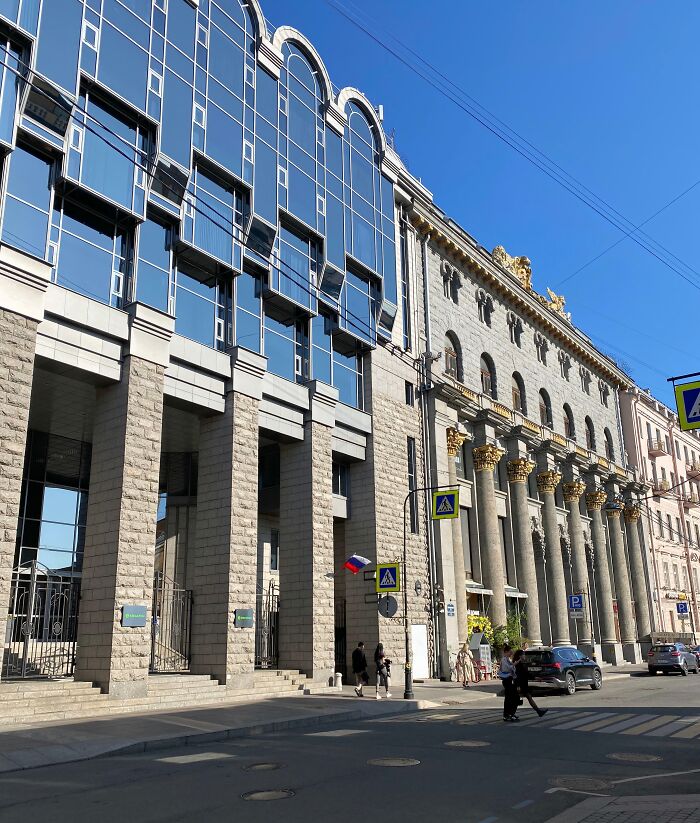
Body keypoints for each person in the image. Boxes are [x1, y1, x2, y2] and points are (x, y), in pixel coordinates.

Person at [513, 649, 547, 718]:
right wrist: (518, 685)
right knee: (518, 699)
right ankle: (511, 713)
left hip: (523, 684)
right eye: (523, 654)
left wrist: (535, 678)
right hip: (520, 684)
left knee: (523, 698)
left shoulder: (522, 663)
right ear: (520, 656)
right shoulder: (517, 664)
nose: (525, 656)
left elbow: (526, 674)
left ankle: (538, 711)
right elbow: (517, 676)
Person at [498, 643, 519, 721]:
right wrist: (515, 664)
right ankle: (507, 714)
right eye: (510, 652)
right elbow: (507, 668)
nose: (511, 653)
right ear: (506, 652)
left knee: (511, 697)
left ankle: (510, 713)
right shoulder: (504, 660)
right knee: (508, 698)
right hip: (506, 680)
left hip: (509, 680)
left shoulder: (508, 659)